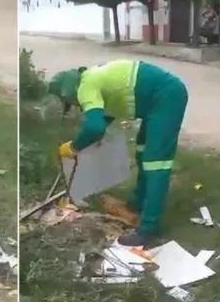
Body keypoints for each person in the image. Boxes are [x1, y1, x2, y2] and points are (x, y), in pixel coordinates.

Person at [48, 60, 189, 247]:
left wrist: (73, 148)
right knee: (142, 153)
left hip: (166, 97)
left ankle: (147, 228)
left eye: (70, 102)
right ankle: (137, 204)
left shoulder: (85, 87)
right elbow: (107, 111)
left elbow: (94, 126)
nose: (75, 106)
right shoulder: (91, 78)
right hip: (159, 98)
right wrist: (92, 137)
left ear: (68, 93)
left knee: (156, 163)